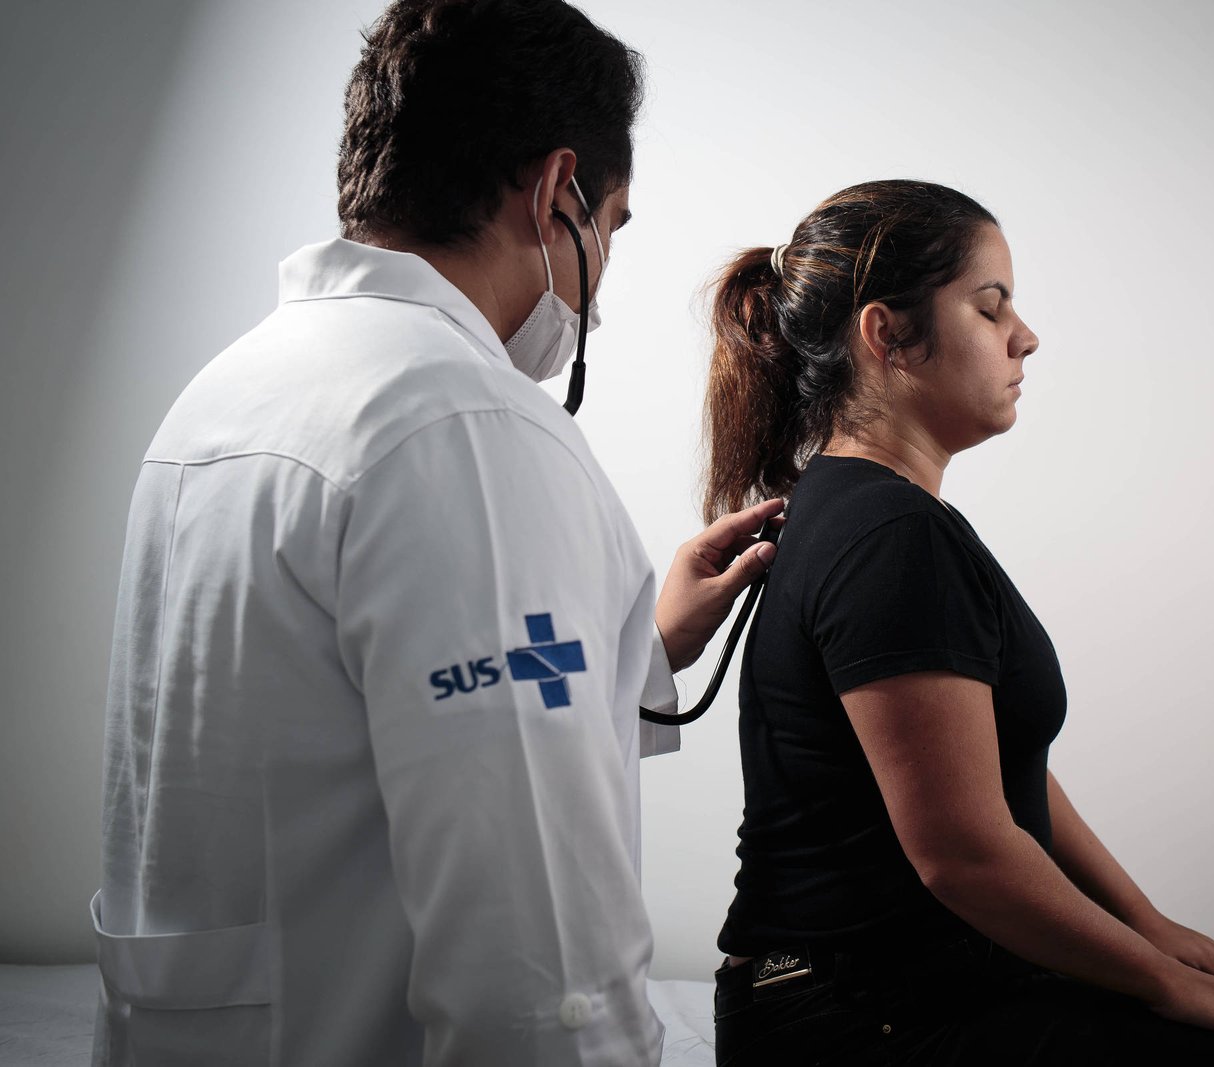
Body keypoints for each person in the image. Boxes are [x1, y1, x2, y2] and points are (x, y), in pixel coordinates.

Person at [91, 2, 781, 1063]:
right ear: (559, 192)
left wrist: (639, 643)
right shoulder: (461, 424)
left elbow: (332, 696)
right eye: (615, 223)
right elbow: (542, 966)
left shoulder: (230, 393)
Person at [701, 179, 1214, 1065]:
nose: (1026, 336)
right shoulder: (887, 534)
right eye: (990, 306)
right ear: (887, 333)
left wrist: (1156, 930)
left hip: (892, 984)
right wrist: (1162, 977)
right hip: (856, 1013)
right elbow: (964, 853)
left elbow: (1003, 766)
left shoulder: (870, 510)